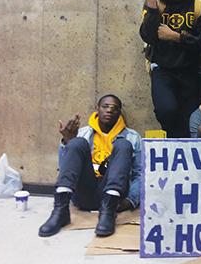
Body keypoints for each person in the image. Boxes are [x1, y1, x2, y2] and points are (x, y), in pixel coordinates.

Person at [38, 95, 141, 238]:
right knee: (77, 143)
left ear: (119, 113)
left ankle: (107, 214)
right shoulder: (82, 133)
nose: (109, 110)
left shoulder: (133, 136)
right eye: (105, 106)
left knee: (124, 145)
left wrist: (130, 201)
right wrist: (67, 142)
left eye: (115, 108)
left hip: (114, 198)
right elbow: (64, 169)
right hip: (85, 194)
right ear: (97, 109)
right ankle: (60, 210)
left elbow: (139, 173)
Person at [140, 0, 201, 137]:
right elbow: (147, 35)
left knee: (190, 119)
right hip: (162, 69)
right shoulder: (158, 2)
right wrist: (151, 3)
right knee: (166, 111)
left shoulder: (199, 6)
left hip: (190, 71)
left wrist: (177, 37)